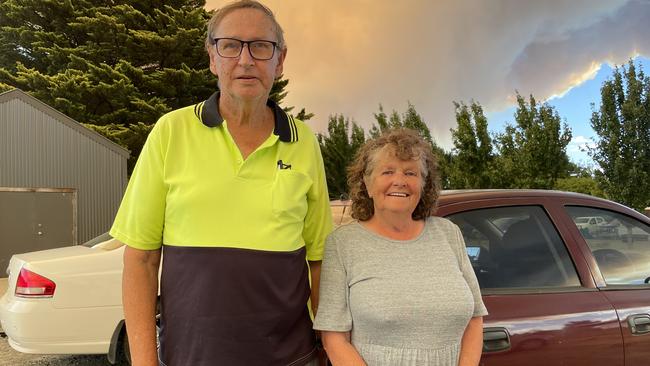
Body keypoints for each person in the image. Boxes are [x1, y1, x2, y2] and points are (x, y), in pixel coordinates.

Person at [110, 1, 333, 365]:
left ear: (280, 60)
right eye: (230, 45)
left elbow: (320, 260)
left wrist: (328, 349)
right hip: (189, 358)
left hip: (292, 358)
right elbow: (141, 260)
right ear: (212, 57)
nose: (246, 60)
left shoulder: (303, 141)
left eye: (261, 46)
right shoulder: (171, 131)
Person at [313, 128, 487, 366]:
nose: (400, 181)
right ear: (367, 182)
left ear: (424, 184)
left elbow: (475, 318)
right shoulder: (343, 244)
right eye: (387, 171)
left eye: (411, 173)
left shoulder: (448, 233)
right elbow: (333, 337)